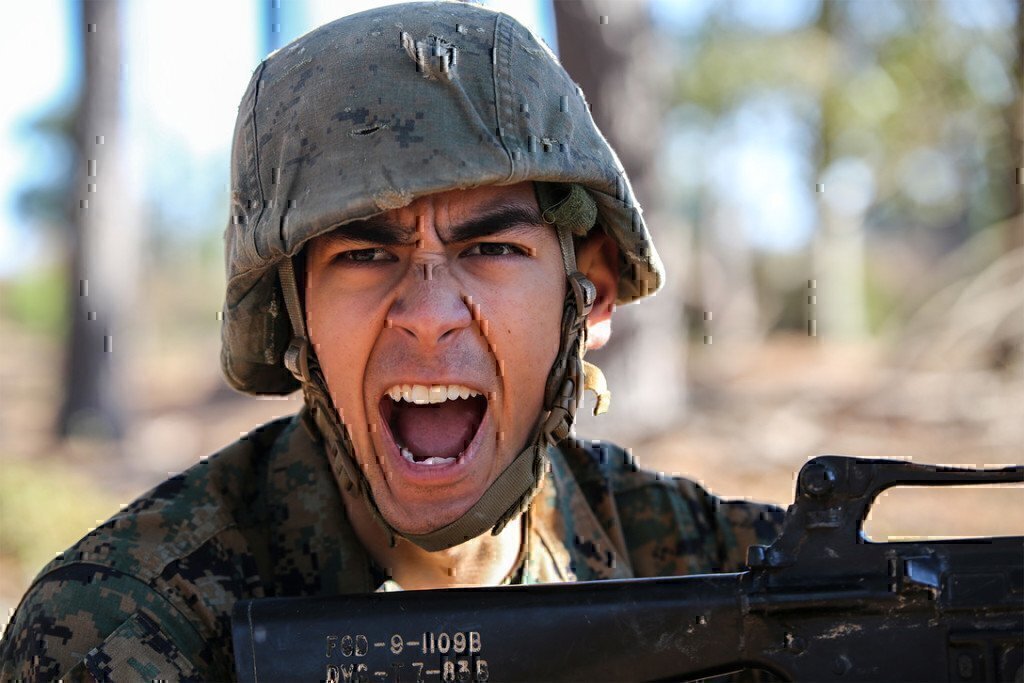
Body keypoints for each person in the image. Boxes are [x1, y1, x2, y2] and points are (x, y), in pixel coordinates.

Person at [0, 3, 782, 679]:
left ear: (592, 295)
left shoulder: (710, 568)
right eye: (366, 255)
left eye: (492, 248)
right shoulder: (128, 625)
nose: (429, 312)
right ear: (292, 315)